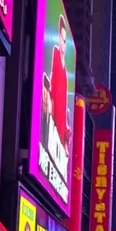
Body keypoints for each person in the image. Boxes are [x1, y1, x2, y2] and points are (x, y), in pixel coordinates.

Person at [49, 14, 70, 148]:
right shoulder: (56, 53)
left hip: (61, 129)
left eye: (65, 40)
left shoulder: (67, 72)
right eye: (61, 38)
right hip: (54, 122)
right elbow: (51, 85)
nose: (63, 43)